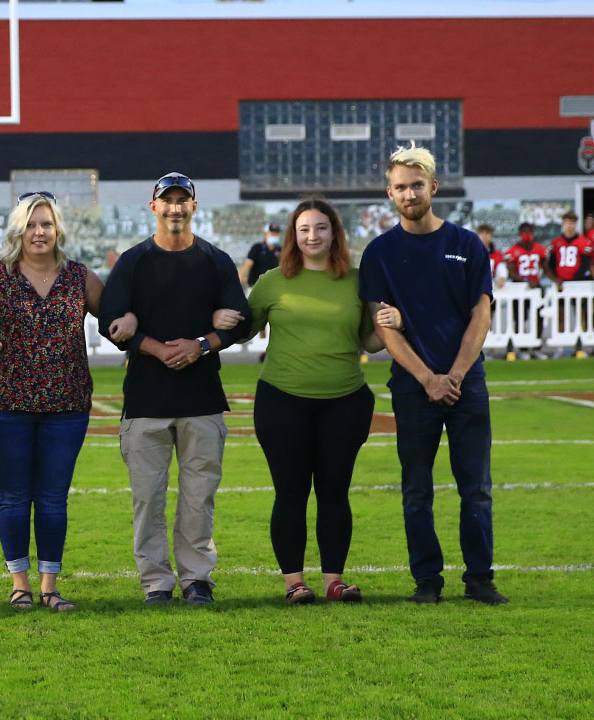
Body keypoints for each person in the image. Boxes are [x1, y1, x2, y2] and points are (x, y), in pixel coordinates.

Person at [0, 191, 129, 612]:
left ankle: (49, 586)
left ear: (58, 230)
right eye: (31, 224)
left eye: (46, 224)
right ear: (18, 229)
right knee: (13, 496)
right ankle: (20, 586)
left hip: (66, 405)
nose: (39, 232)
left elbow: (114, 318)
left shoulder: (80, 277)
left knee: (53, 498)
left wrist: (132, 327)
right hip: (4, 404)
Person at [359, 145, 506, 606]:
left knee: (476, 489)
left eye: (416, 185)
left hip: (467, 383)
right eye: (400, 187)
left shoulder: (465, 245)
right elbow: (383, 328)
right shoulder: (380, 253)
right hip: (411, 385)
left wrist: (455, 374)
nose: (409, 193)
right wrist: (427, 378)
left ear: (433, 187)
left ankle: (480, 579)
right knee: (417, 489)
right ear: (390, 193)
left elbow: (479, 316)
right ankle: (427, 581)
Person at [232, 198, 399, 603]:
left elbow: (367, 340)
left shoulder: (357, 281)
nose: (312, 236)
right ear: (293, 235)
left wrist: (391, 324)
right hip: (282, 401)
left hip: (344, 401)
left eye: (320, 228)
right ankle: (294, 583)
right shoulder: (273, 280)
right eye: (304, 229)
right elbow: (244, 332)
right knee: (290, 493)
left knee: (334, 492)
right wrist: (225, 316)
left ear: (334, 233)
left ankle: (333, 581)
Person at [97, 172, 251, 606]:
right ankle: (157, 583)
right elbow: (111, 318)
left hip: (201, 399)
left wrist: (202, 344)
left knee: (198, 499)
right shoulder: (133, 261)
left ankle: (197, 579)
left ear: (194, 207)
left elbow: (243, 320)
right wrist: (150, 346)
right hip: (146, 400)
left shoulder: (216, 260)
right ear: (154, 207)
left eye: (184, 201)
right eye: (168, 201)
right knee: (148, 501)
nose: (176, 208)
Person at [546, 211, 592, 287]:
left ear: (576, 224)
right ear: (563, 224)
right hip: (560, 283)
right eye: (567, 223)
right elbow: (551, 263)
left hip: (578, 282)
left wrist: (576, 279)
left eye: (572, 223)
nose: (570, 226)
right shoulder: (556, 243)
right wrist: (555, 278)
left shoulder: (584, 242)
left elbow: (585, 263)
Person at [238, 222, 282, 289]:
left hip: (274, 288)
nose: (274, 235)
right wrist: (240, 278)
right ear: (265, 234)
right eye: (272, 233)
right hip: (255, 287)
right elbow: (248, 264)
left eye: (276, 233)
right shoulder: (257, 248)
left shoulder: (280, 250)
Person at [504, 222, 546, 288]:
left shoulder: (541, 249)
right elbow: (510, 273)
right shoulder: (512, 251)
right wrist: (526, 280)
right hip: (518, 287)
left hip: (536, 285)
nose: (527, 234)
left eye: (529, 231)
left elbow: (546, 268)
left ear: (533, 233)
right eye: (524, 231)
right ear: (520, 233)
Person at [475, 224, 507, 289]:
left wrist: (502, 278)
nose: (484, 236)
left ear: (491, 236)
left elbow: (501, 268)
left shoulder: (497, 254)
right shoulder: (470, 253)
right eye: (481, 233)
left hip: (492, 287)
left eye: (487, 233)